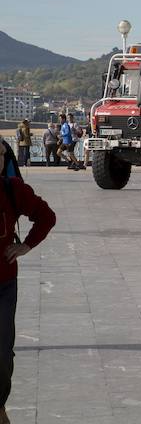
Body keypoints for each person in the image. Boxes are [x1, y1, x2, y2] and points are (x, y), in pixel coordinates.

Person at [0, 141, 56, 424]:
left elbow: (46, 216)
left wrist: (26, 246)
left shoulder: (12, 189)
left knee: (1, 353)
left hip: (3, 285)